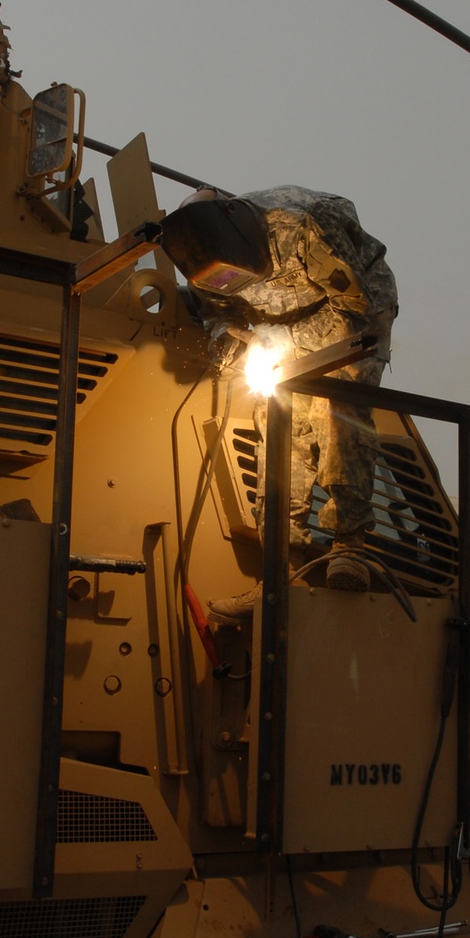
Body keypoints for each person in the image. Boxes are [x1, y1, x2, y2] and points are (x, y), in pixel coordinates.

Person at [158, 185, 397, 621]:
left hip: (351, 314)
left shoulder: (306, 224)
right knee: (279, 425)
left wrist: (284, 340)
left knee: (337, 409)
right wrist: (228, 341)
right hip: (280, 322)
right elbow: (218, 315)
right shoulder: (204, 262)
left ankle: (350, 548)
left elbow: (353, 306)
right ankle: (278, 572)